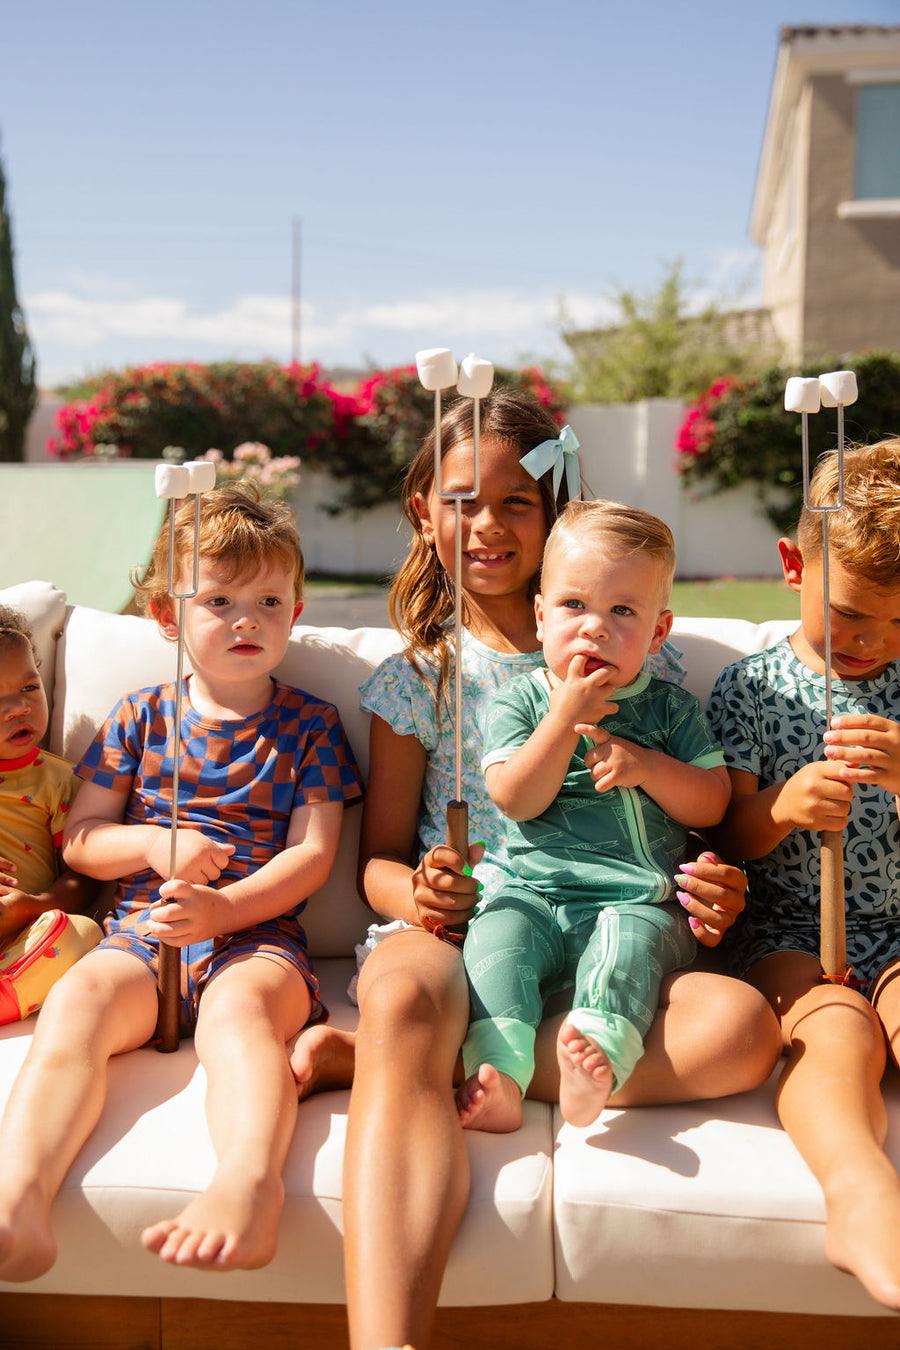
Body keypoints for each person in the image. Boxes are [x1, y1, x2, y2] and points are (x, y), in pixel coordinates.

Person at [291, 389, 780, 1350]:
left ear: (554, 517)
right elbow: (378, 867)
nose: (488, 524)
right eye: (463, 500)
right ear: (426, 516)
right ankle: (386, 1335)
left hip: (609, 941)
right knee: (403, 994)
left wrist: (715, 884)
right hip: (465, 934)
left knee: (745, 1029)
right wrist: (422, 894)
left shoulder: (640, 661)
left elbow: (686, 817)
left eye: (518, 502)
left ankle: (458, 1058)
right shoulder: (422, 675)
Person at [0, 484, 362, 1283]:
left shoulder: (309, 725)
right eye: (221, 600)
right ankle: (18, 1200)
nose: (247, 620)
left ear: (296, 611)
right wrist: (153, 844)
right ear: (167, 618)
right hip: (142, 933)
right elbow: (82, 840)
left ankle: (247, 1186)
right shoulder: (139, 717)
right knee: (77, 1007)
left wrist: (226, 907)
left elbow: (313, 855)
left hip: (258, 939)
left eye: (269, 600)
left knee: (242, 1023)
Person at [458, 500, 730, 1132]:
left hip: (639, 901)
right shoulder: (520, 700)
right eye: (574, 606)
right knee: (496, 940)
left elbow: (713, 801)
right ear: (541, 613)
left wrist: (649, 767)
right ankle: (498, 1071)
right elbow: (513, 797)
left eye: (622, 612)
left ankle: (598, 1053)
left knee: (626, 947)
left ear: (659, 632)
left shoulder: (670, 709)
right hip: (532, 893)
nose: (594, 629)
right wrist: (561, 716)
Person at [706, 439, 900, 1312]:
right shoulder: (751, 691)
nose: (874, 641)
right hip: (787, 936)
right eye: (855, 613)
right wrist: (784, 806)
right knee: (838, 1034)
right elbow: (729, 835)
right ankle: (860, 1197)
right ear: (794, 565)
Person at [0, 604, 99, 954]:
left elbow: (82, 879)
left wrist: (32, 906)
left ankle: (10, 993)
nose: (20, 707)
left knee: (83, 932)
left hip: (26, 938)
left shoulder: (58, 781)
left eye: (29, 687)